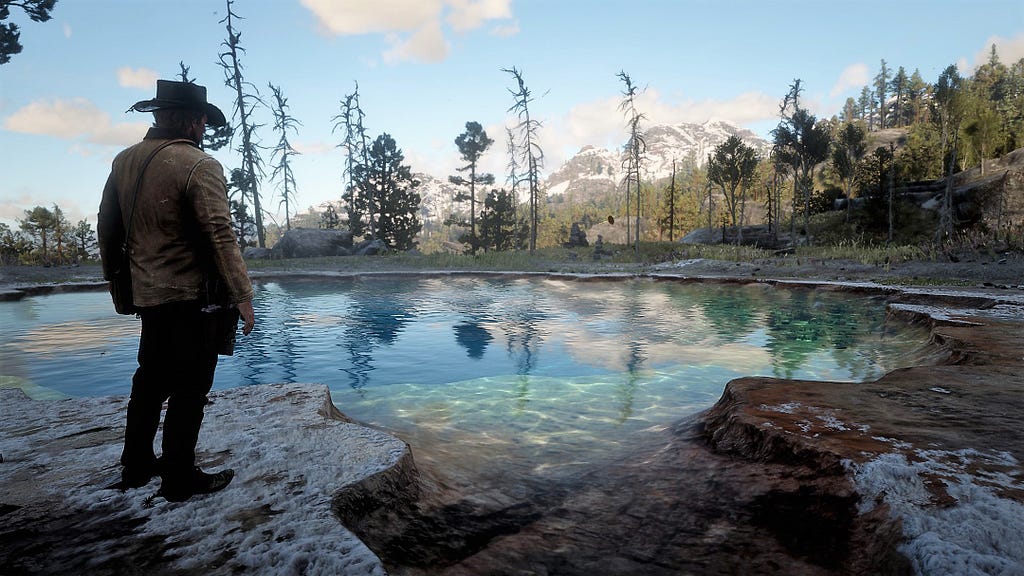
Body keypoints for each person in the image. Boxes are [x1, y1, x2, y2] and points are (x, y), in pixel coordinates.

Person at [98, 80, 256, 502]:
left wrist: (120, 283)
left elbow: (108, 229)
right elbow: (219, 234)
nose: (204, 125)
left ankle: (136, 466)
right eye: (202, 118)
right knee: (190, 388)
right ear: (192, 120)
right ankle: (179, 478)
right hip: (193, 298)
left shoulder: (124, 161)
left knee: (149, 380)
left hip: (150, 295)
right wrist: (243, 295)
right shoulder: (199, 164)